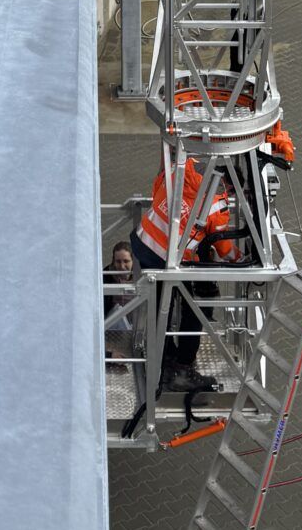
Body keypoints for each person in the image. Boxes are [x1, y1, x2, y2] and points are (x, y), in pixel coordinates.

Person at [132, 157, 241, 392]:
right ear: (228, 186)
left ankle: (165, 357)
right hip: (165, 259)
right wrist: (240, 258)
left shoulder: (181, 168)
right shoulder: (217, 203)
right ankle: (183, 369)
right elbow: (224, 249)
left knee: (163, 304)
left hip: (143, 241)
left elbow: (157, 186)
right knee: (196, 308)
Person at [103, 241, 136, 359]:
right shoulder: (105, 277)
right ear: (113, 260)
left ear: (134, 261)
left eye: (126, 261)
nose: (122, 266)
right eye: (118, 261)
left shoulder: (141, 277)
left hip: (136, 325)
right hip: (112, 326)